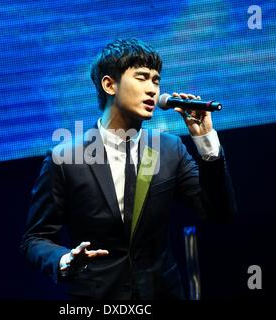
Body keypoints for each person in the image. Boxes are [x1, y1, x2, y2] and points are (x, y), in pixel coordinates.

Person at [20, 38, 236, 300]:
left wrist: (205, 141)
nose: (152, 90)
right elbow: (35, 239)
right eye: (142, 78)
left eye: (156, 81)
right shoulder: (64, 158)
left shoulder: (169, 150)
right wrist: (65, 259)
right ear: (109, 84)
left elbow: (218, 214)